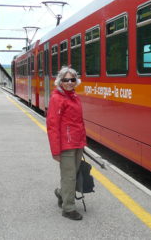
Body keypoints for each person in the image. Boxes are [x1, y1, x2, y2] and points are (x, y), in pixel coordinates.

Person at [46, 66, 86, 221]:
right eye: (66, 80)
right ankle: (68, 208)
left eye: (72, 79)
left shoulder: (74, 96)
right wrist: (55, 151)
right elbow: (52, 126)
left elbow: (79, 122)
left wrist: (82, 142)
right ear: (60, 81)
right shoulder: (57, 98)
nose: (69, 82)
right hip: (66, 144)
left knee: (73, 174)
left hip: (77, 142)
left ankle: (61, 193)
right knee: (69, 177)